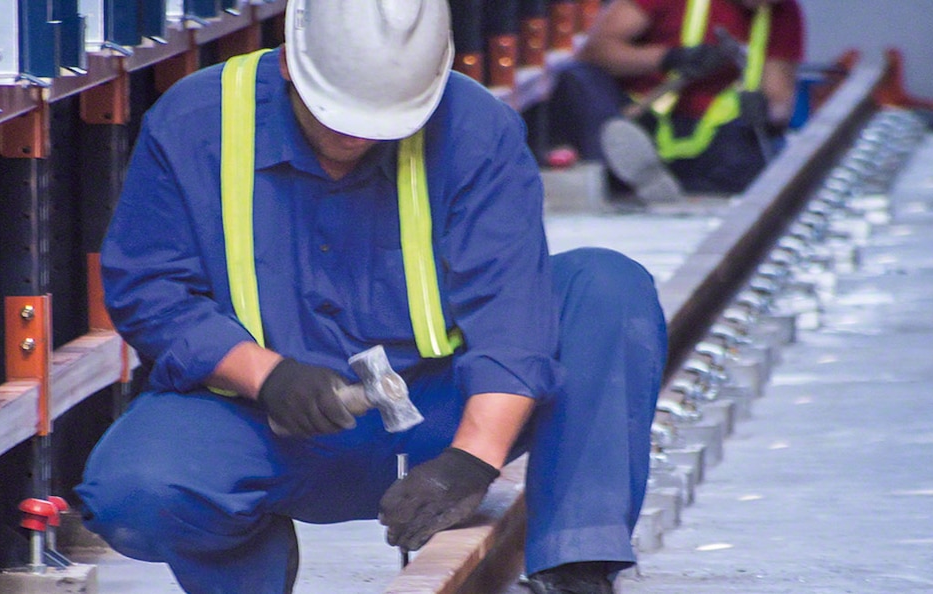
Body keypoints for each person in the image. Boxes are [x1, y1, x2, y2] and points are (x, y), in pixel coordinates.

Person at [74, 1, 667, 592]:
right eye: (337, 114)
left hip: (438, 412)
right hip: (266, 425)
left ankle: (576, 567)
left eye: (382, 119)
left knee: (607, 289)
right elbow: (150, 287)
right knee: (136, 492)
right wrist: (266, 374)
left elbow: (511, 309)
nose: (356, 135)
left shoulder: (476, 128)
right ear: (289, 64)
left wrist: (474, 458)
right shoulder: (198, 120)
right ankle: (247, 570)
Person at [548, 0, 805, 200]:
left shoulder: (784, 13)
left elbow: (779, 99)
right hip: (638, 122)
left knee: (751, 156)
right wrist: (667, 58)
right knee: (578, 80)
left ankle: (666, 187)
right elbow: (594, 51)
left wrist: (766, 113)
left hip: (710, 140)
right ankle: (621, 175)